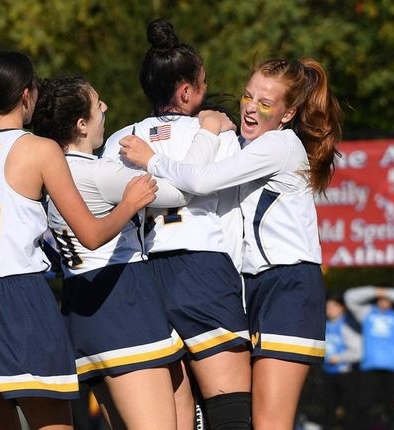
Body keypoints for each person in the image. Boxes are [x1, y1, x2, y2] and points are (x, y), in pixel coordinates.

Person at [0, 50, 158, 430]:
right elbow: (92, 234)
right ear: (25, 95)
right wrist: (129, 203)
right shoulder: (41, 150)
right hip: (17, 299)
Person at [119, 56, 343, 429]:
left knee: (270, 423)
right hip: (254, 286)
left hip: (287, 287)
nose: (251, 108)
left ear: (288, 115)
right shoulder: (248, 145)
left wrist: (152, 159)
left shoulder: (280, 146)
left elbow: (203, 180)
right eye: (247, 96)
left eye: (266, 104)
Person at [31, 75, 235, 429]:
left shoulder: (50, 173)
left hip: (83, 307)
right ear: (80, 125)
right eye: (97, 105)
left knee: (181, 400)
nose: (105, 107)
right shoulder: (96, 172)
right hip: (121, 304)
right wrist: (208, 132)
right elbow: (181, 192)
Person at [101, 19, 251, 429]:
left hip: (142, 276)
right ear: (186, 92)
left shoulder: (118, 140)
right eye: (202, 84)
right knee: (231, 412)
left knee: (175, 417)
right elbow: (235, 213)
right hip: (203, 269)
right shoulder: (216, 129)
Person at [345, 286, 394, 430]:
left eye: (387, 300)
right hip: (371, 366)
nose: (384, 302)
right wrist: (376, 291)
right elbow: (350, 297)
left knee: (392, 406)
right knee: (364, 405)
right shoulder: (366, 314)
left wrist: (389, 292)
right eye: (381, 299)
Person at [322, 294, 362, 430]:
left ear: (342, 308)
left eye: (334, 306)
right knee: (328, 408)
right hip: (328, 372)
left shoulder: (346, 325)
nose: (329, 309)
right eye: (327, 306)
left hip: (345, 373)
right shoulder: (324, 325)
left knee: (349, 408)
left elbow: (358, 352)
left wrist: (339, 358)